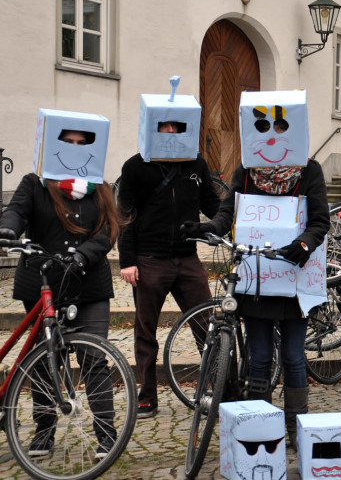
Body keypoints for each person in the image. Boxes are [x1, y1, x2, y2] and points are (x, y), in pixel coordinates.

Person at [184, 90, 330, 449]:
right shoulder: (247, 171)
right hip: (257, 279)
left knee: (294, 355)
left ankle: (296, 428)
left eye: (281, 127)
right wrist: (210, 227)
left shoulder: (309, 171)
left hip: (293, 278)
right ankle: (262, 426)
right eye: (264, 127)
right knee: (261, 357)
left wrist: (304, 244)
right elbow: (227, 212)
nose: (272, 135)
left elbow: (321, 221)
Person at [0, 128, 119, 458]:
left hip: (89, 286)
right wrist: (9, 227)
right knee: (44, 360)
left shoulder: (101, 188)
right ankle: (44, 430)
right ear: (54, 144)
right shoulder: (35, 184)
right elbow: (17, 210)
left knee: (93, 360)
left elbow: (109, 231)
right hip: (44, 285)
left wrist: (84, 254)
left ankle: (106, 435)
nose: (76, 148)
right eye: (68, 142)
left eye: (83, 143)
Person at [117, 120, 221, 419]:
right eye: (165, 128)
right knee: (145, 331)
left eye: (177, 128)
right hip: (150, 260)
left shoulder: (195, 163)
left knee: (207, 325)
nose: (172, 134)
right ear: (152, 129)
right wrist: (127, 261)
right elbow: (125, 215)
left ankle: (216, 387)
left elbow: (212, 204)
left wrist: (231, 217)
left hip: (188, 258)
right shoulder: (135, 166)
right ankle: (147, 396)